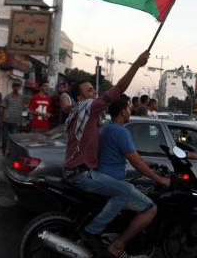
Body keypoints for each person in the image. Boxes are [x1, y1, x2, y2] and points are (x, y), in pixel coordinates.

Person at [62, 50, 149, 257]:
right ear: (81, 97)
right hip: (81, 174)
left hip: (78, 171)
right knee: (124, 191)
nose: (95, 93)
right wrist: (137, 63)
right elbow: (119, 88)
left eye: (94, 90)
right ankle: (92, 232)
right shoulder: (89, 107)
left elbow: (66, 99)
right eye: (90, 90)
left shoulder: (81, 112)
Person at [80, 98, 170, 257]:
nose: (130, 111)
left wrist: (145, 162)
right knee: (151, 208)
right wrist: (160, 179)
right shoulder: (121, 131)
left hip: (103, 177)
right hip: (112, 181)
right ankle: (118, 245)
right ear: (122, 112)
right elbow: (136, 163)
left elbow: (130, 155)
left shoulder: (107, 128)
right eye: (128, 109)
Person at [2, 80, 27, 154]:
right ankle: (3, 151)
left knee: (14, 139)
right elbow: (3, 108)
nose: (16, 87)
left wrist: (23, 120)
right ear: (12, 87)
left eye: (18, 86)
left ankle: (10, 151)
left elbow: (24, 108)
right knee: (4, 138)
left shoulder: (22, 98)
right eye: (15, 86)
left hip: (15, 121)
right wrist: (1, 119)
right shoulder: (7, 96)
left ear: (19, 88)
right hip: (6, 120)